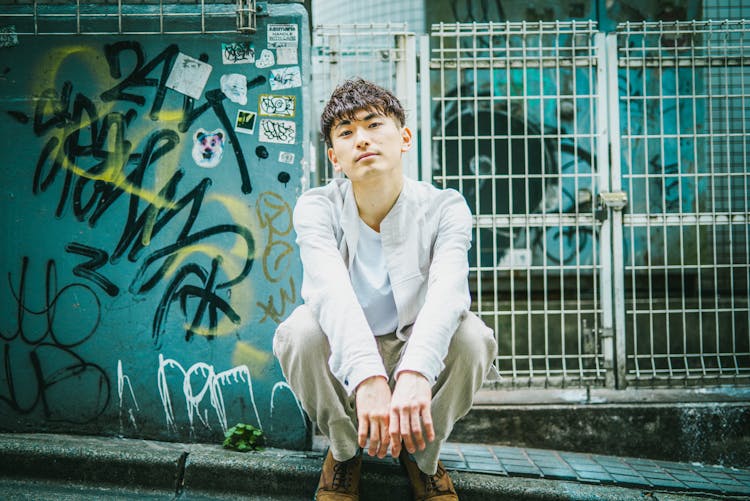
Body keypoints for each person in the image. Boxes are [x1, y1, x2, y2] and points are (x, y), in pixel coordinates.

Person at [273, 78, 497, 501]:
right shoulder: (316, 208)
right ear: (334, 158)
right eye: (346, 132)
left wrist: (414, 372)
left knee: (474, 338)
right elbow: (329, 294)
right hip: (348, 351)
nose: (361, 139)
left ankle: (420, 457)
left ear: (404, 138)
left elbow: (449, 294)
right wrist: (369, 376)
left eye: (374, 124)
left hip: (413, 340)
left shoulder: (445, 207)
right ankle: (343, 454)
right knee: (298, 332)